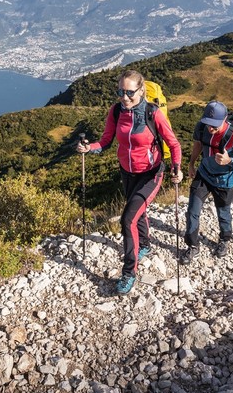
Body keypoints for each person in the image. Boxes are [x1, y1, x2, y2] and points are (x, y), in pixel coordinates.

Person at [77, 70, 183, 295]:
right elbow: (106, 141)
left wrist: (177, 169)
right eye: (120, 92)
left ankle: (129, 272)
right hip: (127, 173)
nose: (124, 97)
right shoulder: (116, 111)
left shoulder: (153, 114)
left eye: (129, 92)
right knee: (138, 213)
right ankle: (144, 244)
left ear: (141, 90)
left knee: (127, 219)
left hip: (151, 174)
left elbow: (174, 144)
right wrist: (89, 148)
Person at [181, 100, 233, 262]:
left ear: (224, 120)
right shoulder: (201, 127)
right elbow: (198, 145)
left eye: (214, 125)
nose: (210, 128)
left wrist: (231, 161)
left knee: (223, 213)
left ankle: (224, 240)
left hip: (224, 180)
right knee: (192, 211)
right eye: (208, 124)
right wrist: (191, 164)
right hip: (203, 174)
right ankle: (193, 246)